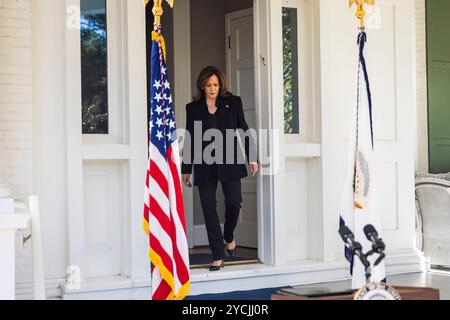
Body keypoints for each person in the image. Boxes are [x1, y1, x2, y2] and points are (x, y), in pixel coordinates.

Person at [181, 66, 258, 271]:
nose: (212, 89)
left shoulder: (233, 103)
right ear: (202, 87)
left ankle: (229, 236)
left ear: (220, 85)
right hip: (204, 164)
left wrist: (252, 157)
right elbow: (190, 138)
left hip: (230, 161)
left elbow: (244, 130)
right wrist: (186, 168)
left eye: (215, 85)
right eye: (208, 85)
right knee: (208, 207)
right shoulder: (193, 108)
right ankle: (217, 255)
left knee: (234, 202)